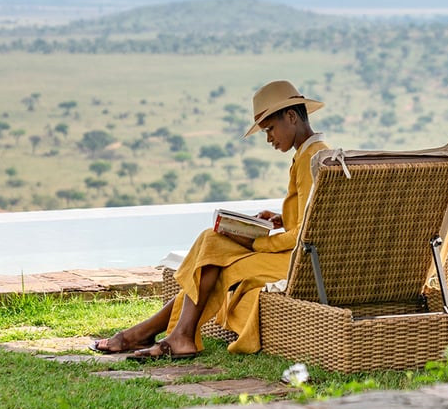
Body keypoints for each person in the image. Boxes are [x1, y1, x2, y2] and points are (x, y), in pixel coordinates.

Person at [91, 79, 328, 360]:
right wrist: (279, 218)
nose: (268, 139)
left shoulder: (310, 158)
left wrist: (255, 243)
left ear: (291, 116)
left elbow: (306, 235)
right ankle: (171, 335)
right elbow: (314, 218)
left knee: (214, 260)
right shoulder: (312, 153)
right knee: (211, 241)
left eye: (270, 129)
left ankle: (160, 334)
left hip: (298, 261)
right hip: (295, 252)